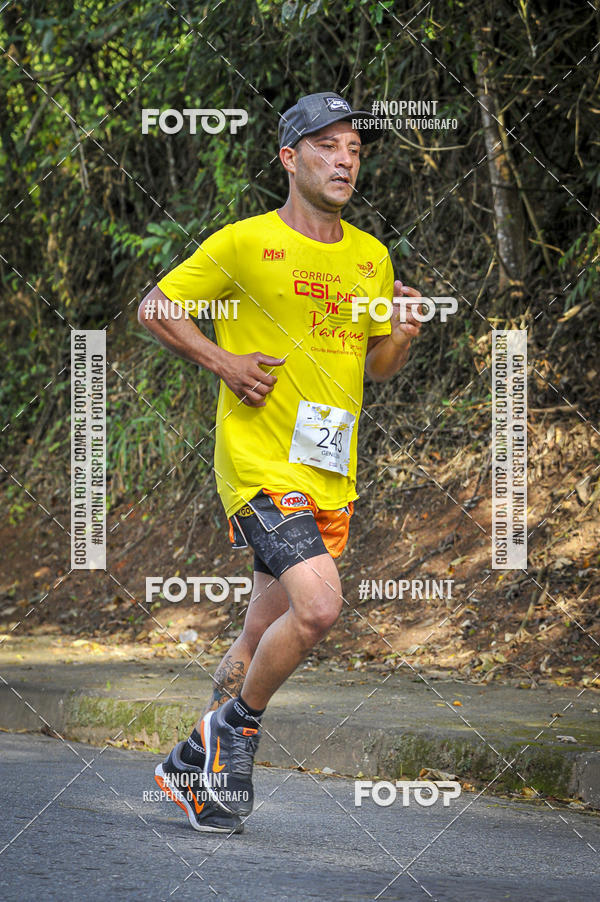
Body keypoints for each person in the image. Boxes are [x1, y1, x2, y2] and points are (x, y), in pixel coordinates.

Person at [138, 91, 422, 834]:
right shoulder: (244, 243)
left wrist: (404, 334)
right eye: (327, 146)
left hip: (332, 470)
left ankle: (192, 769)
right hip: (260, 465)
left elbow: (376, 367)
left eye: (355, 149)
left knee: (258, 632)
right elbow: (157, 305)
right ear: (290, 158)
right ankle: (239, 731)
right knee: (319, 606)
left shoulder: (370, 256)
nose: (345, 160)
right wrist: (224, 361)